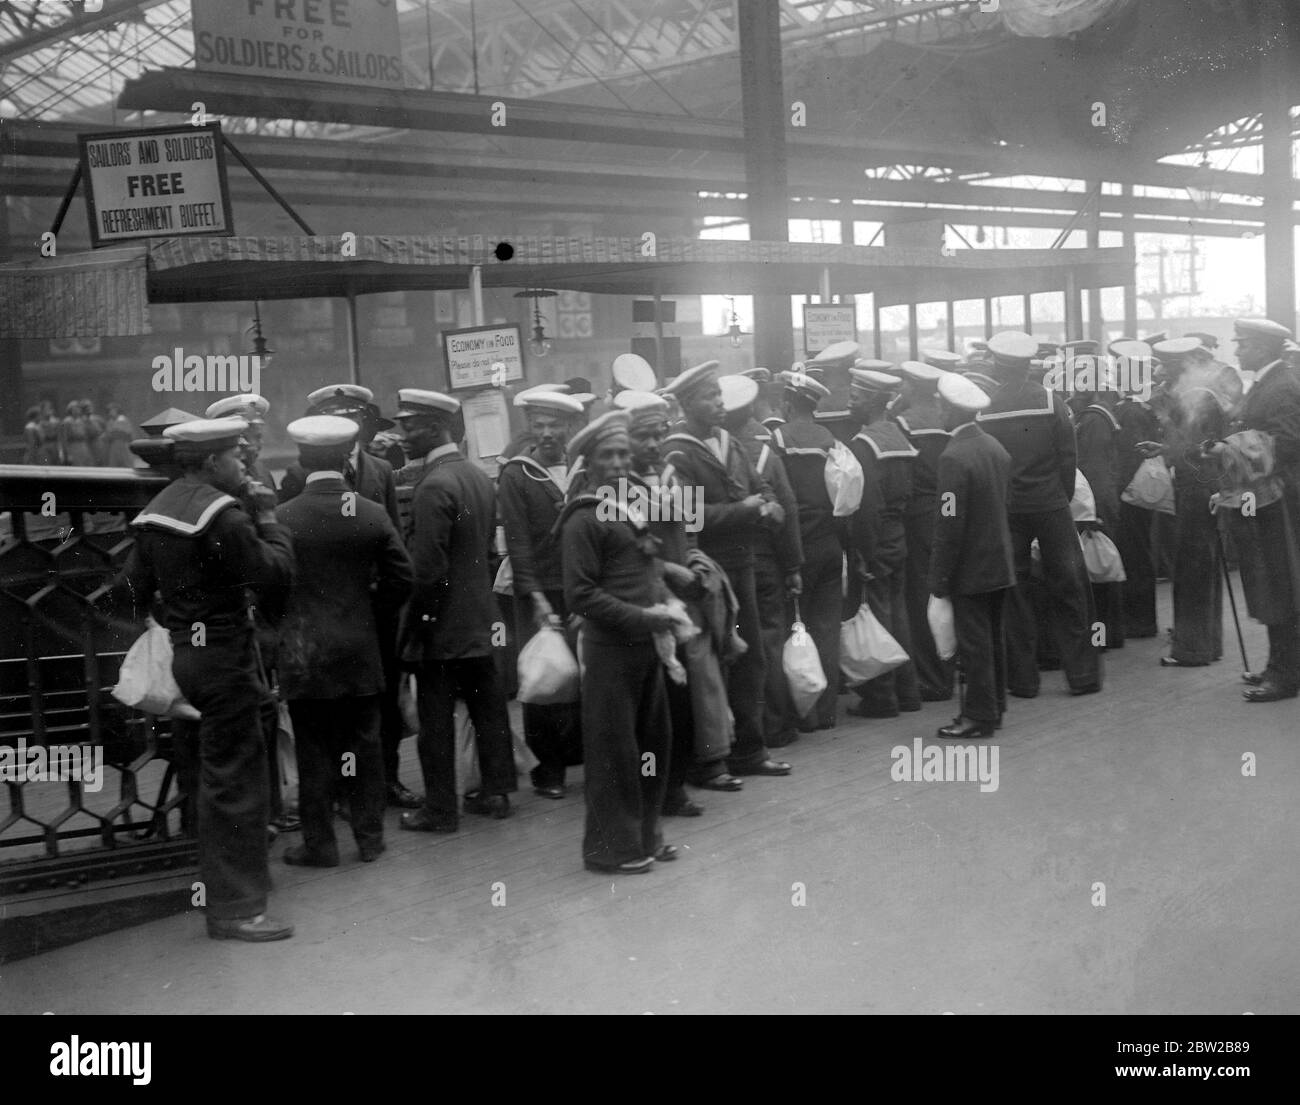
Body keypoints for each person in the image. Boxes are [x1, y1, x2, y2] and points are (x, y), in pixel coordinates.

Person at [113, 417, 295, 941]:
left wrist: (165, 621)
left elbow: (127, 591)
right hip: (226, 660)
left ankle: (227, 892)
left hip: (186, 657)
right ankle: (237, 910)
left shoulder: (158, 511)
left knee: (212, 777)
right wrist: (269, 518)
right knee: (235, 783)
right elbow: (276, 575)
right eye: (237, 456)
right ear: (213, 461)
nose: (244, 463)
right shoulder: (225, 515)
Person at [274, 415, 413, 866]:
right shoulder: (370, 513)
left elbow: (269, 583)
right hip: (359, 647)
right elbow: (403, 577)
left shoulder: (283, 517)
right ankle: (369, 838)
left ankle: (320, 845)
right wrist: (371, 611)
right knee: (365, 745)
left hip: (305, 653)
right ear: (345, 461)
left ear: (302, 459)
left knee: (313, 747)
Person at [559, 410, 677, 873]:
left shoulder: (628, 506)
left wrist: (666, 598)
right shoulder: (582, 518)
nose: (619, 463)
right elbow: (581, 595)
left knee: (651, 746)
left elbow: (646, 564)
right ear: (588, 464)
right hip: (610, 651)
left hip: (646, 646)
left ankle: (646, 834)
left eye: (624, 454)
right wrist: (645, 617)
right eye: (607, 455)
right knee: (614, 753)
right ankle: (612, 849)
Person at [663, 361, 792, 784]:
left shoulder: (729, 442)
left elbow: (761, 487)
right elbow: (690, 515)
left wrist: (770, 504)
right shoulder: (678, 452)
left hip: (743, 564)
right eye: (709, 396)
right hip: (707, 570)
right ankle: (709, 761)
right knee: (709, 664)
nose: (719, 403)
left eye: (719, 394)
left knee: (751, 658)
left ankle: (750, 751)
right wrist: (748, 510)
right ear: (687, 404)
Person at [396, 389, 518, 831]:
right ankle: (496, 793)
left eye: (410, 427)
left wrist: (416, 625)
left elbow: (428, 570)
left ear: (435, 428)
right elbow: (483, 550)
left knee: (435, 719)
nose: (403, 436)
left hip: (442, 626)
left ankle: (441, 809)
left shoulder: (433, 485)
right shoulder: (476, 476)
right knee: (489, 709)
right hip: (481, 618)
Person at [615, 389, 722, 818]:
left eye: (659, 434)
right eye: (643, 436)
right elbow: (621, 552)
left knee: (679, 700)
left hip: (678, 606)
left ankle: (673, 788)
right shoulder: (615, 487)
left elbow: (691, 531)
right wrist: (669, 569)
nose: (653, 444)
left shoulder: (673, 476)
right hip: (640, 605)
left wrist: (693, 561)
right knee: (648, 708)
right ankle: (649, 791)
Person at [976, 331, 1100, 698]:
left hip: (1009, 509)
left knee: (1015, 593)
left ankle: (1023, 680)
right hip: (1050, 505)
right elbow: (1068, 457)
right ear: (1028, 365)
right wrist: (1059, 496)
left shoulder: (985, 408)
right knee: (1071, 588)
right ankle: (1083, 676)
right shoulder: (1051, 401)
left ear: (998, 366)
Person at [497, 388, 587, 799]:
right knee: (544, 679)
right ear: (529, 428)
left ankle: (577, 756)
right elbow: (518, 545)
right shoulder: (517, 474)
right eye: (539, 426)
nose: (547, 433)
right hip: (539, 593)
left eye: (555, 426)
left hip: (582, 589)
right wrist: (536, 600)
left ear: (570, 427)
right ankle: (548, 773)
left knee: (583, 673)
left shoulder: (584, 469)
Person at [930, 374, 1016, 740]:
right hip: (999, 561)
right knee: (993, 638)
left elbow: (949, 521)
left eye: (941, 406)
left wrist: (939, 576)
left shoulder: (953, 457)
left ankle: (977, 716)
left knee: (974, 643)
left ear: (952, 410)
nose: (939, 412)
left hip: (971, 566)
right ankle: (994, 708)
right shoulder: (995, 448)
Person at [721, 374, 804, 748]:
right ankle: (775, 724)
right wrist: (793, 566)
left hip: (728, 561)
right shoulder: (767, 452)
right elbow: (787, 507)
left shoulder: (715, 451)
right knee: (769, 639)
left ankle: (741, 729)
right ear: (752, 408)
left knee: (735, 643)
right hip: (767, 560)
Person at [1221, 318, 1300, 702]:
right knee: (1275, 583)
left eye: (1244, 344)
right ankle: (1280, 667)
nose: (1237, 351)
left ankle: (1285, 676)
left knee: (1281, 585)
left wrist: (1230, 450)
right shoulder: (1270, 382)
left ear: (1265, 348)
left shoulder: (1280, 386)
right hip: (1269, 497)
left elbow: (1287, 442)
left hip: (1280, 499)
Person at [1145, 338, 1231, 668]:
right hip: (1205, 486)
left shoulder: (1196, 398)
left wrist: (1169, 440)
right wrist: (1165, 449)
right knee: (1203, 566)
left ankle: (1191, 649)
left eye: (1166, 367)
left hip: (1196, 489)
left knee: (1191, 568)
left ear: (1182, 366)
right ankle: (1207, 644)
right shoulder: (1204, 395)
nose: (1161, 373)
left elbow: (1199, 448)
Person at [769, 369, 844, 729]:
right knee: (827, 629)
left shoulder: (779, 439)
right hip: (830, 542)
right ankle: (827, 710)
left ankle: (805, 712)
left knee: (796, 628)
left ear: (787, 403)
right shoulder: (830, 438)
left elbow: (781, 495)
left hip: (800, 544)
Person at [845, 368, 921, 718]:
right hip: (898, 533)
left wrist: (863, 551)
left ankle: (883, 697)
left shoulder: (864, 444)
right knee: (898, 611)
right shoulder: (898, 436)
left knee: (878, 615)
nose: (851, 403)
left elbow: (868, 505)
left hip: (876, 537)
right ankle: (908, 691)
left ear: (873, 401)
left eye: (856, 397)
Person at [893, 361, 954, 701]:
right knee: (947, 592)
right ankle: (949, 668)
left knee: (920, 596)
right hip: (948, 508)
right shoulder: (947, 419)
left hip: (917, 516)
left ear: (911, 387)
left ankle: (931, 678)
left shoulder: (904, 423)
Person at [1071, 359, 1125, 651]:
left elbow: (1090, 468)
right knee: (1103, 569)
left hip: (1094, 503)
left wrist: (1088, 511)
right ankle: (1110, 635)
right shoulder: (1100, 413)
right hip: (1101, 499)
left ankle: (1100, 638)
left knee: (1097, 572)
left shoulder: (1092, 419)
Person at [1110, 340, 1161, 638]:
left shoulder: (1129, 411)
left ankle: (1140, 622)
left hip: (1131, 491)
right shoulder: (1140, 406)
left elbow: (1131, 456)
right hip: (1140, 490)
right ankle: (1142, 620)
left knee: (1134, 554)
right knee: (1138, 551)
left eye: (1120, 369)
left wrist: (1118, 490)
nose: (1115, 374)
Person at [207, 393, 278, 490]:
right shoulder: (213, 479)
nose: (261, 444)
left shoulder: (261, 471)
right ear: (239, 439)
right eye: (257, 437)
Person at [59, 400, 95, 466]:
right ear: (70, 410)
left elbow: (87, 434)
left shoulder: (81, 421)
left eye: (78, 408)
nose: (77, 410)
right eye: (74, 409)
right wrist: (67, 454)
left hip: (83, 447)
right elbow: (64, 439)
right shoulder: (66, 422)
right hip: (73, 447)